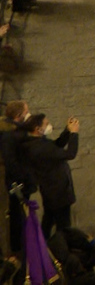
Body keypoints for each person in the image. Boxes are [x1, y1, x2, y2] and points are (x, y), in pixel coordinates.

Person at [19, 113, 80, 236]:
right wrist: (74, 134)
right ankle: (62, 247)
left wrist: (67, 131)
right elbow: (70, 154)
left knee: (49, 218)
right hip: (58, 190)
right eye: (46, 124)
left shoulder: (35, 142)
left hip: (49, 189)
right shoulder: (41, 148)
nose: (49, 125)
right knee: (64, 224)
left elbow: (56, 145)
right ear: (37, 129)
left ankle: (43, 241)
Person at [0, 100, 31, 253]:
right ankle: (17, 247)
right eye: (26, 112)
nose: (28, 114)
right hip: (15, 182)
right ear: (19, 116)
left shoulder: (14, 130)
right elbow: (11, 161)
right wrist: (24, 177)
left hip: (18, 179)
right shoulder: (9, 135)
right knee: (16, 215)